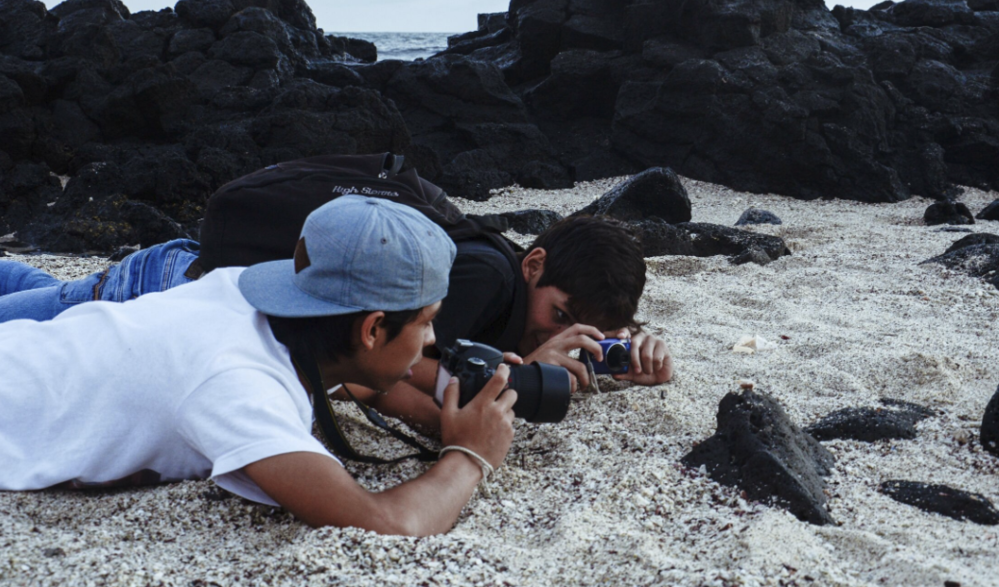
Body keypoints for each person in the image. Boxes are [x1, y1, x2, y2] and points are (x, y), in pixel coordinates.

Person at [0, 195, 517, 535]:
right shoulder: (241, 390)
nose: (431, 342)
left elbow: (352, 381)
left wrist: (447, 404)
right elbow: (383, 522)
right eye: (428, 323)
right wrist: (469, 455)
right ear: (372, 328)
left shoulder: (242, 291)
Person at [0, 214, 672, 431]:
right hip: (163, 291)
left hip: (184, 284)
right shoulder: (482, 276)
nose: (553, 328)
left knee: (53, 294)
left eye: (595, 329)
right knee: (58, 312)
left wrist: (621, 357)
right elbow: (398, 372)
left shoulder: (510, 297)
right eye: (559, 314)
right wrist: (522, 373)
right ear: (533, 264)